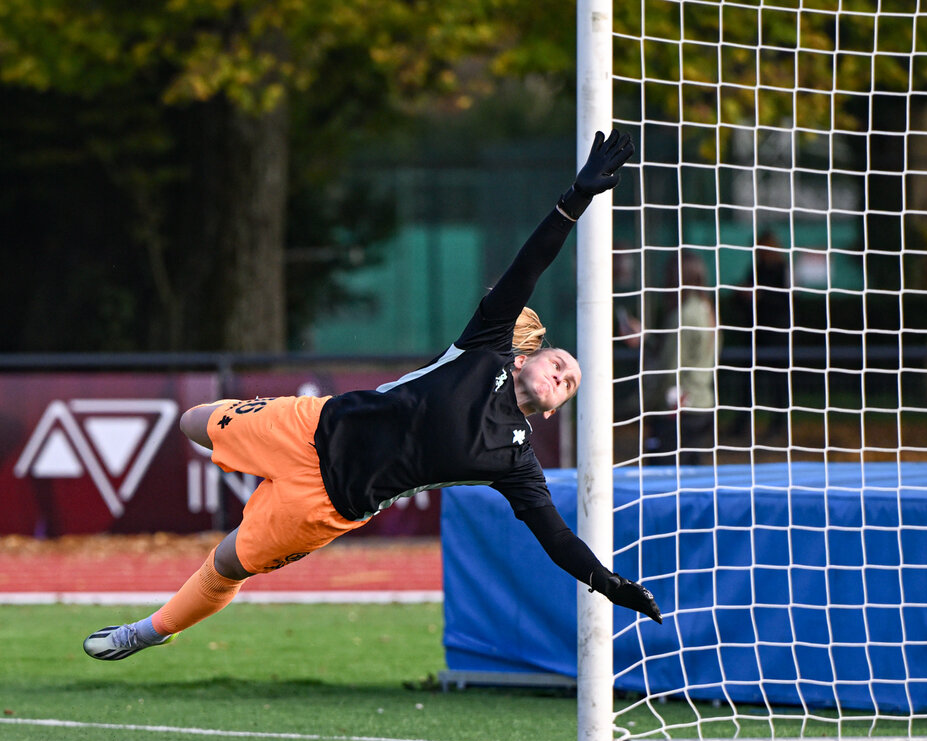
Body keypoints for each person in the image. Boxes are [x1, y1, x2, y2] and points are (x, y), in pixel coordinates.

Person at [83, 130, 662, 662]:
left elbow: (556, 538)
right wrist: (573, 200)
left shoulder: (514, 460)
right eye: (560, 362)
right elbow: (528, 266)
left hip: (326, 506)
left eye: (570, 384)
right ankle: (247, 474)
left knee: (229, 564)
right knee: (192, 421)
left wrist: (607, 583)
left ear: (554, 410)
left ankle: (148, 631)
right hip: (309, 426)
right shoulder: (484, 347)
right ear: (526, 356)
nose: (563, 375)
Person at [644, 251, 720, 466]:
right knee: (692, 474)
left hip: (678, 408)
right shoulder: (706, 309)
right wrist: (646, 340)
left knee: (663, 475)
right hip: (702, 404)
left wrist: (645, 402)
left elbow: (670, 368)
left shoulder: (684, 315)